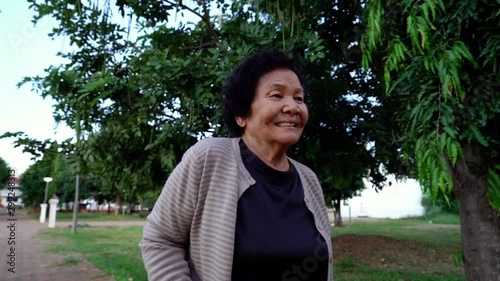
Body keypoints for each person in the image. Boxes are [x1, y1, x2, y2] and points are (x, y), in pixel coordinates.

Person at [139, 48, 333, 281]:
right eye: (276, 95)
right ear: (241, 114)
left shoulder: (308, 179)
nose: (292, 107)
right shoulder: (210, 158)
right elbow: (160, 238)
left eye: (299, 98)